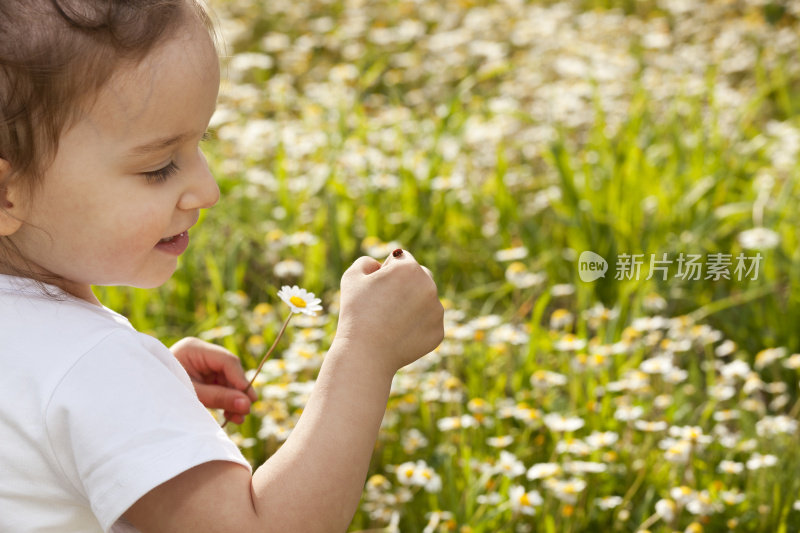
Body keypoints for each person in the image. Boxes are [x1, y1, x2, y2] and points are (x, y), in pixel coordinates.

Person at [0, 1, 445, 531]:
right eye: (159, 167)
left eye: (201, 142)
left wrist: (144, 396)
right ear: (7, 195)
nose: (207, 191)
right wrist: (366, 350)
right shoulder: (93, 370)